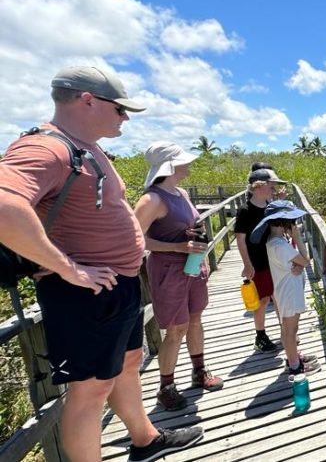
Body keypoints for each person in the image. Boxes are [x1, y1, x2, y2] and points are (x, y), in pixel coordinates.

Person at [0, 66, 202, 461]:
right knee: (89, 391)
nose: (125, 118)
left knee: (129, 363)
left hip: (117, 285)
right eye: (120, 109)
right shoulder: (47, 146)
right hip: (85, 293)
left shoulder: (87, 148)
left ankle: (145, 438)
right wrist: (67, 268)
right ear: (87, 100)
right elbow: (5, 207)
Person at [133, 141, 224, 411]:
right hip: (168, 270)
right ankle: (166, 387)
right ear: (170, 165)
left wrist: (192, 241)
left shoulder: (181, 193)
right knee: (176, 329)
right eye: (183, 160)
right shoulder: (152, 199)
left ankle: (199, 371)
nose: (189, 164)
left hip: (192, 266)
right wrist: (176, 246)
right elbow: (135, 239)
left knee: (195, 319)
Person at [249, 201, 320, 374]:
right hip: (288, 292)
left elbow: (298, 263)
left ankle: (293, 357)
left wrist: (299, 266)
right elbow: (305, 259)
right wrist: (297, 238)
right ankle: (295, 366)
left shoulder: (275, 241)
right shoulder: (279, 244)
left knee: (287, 328)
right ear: (282, 222)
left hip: (285, 290)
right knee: (290, 330)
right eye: (291, 221)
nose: (293, 224)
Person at [234, 168, 288, 352]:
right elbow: (240, 239)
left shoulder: (270, 205)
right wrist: (247, 264)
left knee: (279, 297)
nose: (273, 191)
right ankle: (260, 336)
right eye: (271, 188)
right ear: (258, 187)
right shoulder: (245, 211)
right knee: (263, 299)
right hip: (258, 261)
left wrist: (279, 202)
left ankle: (286, 333)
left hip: (275, 259)